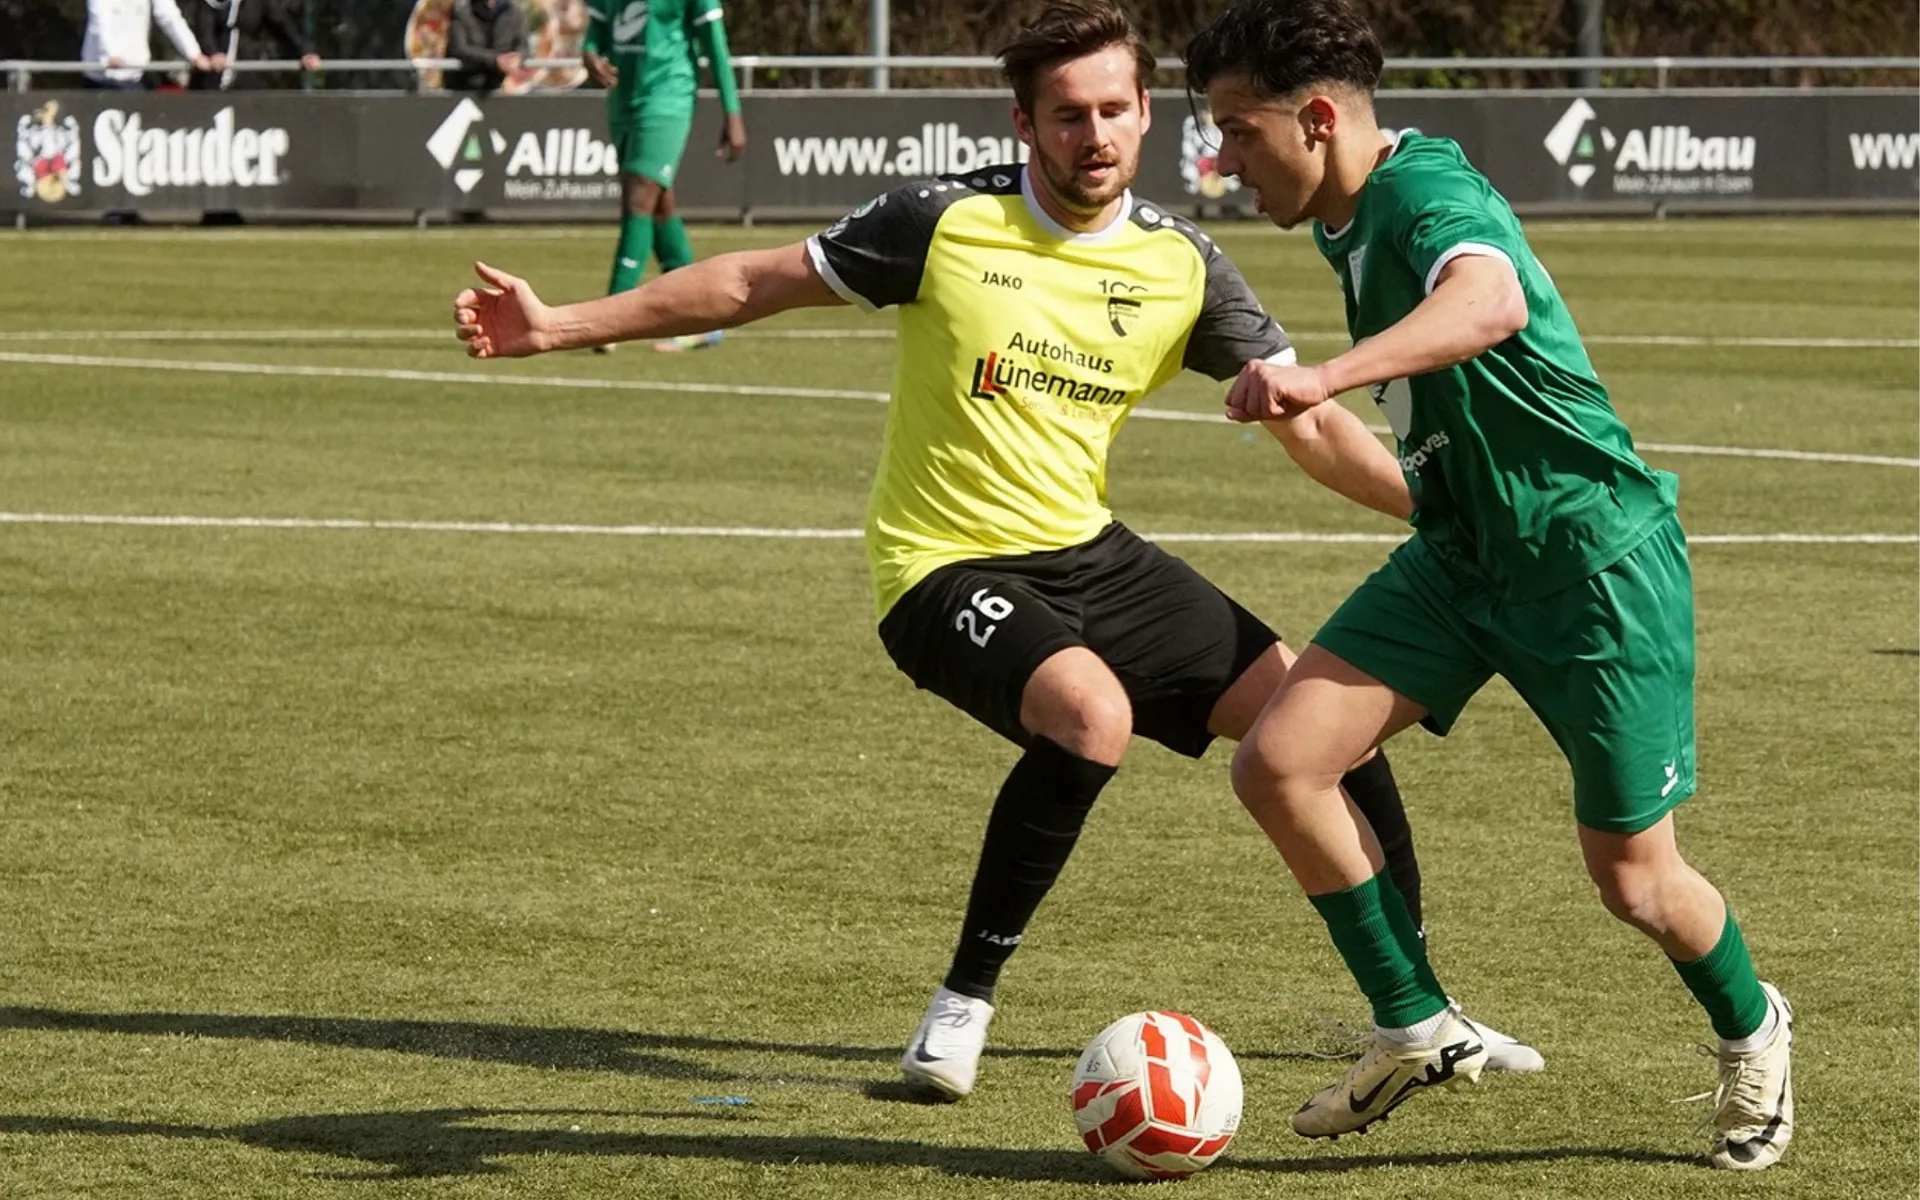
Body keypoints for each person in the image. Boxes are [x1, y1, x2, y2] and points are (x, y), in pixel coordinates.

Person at [454, 0, 1539, 1101]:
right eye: (1068, 115)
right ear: (1024, 123)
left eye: (1116, 109)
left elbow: (1310, 424)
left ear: (1150, 113)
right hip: (940, 566)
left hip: (1091, 553)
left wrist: (1438, 511)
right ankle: (960, 1007)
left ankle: (1422, 1011)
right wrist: (556, 325)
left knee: (1322, 719)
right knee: (1091, 716)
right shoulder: (942, 221)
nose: (1096, 135)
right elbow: (751, 283)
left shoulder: (1181, 265)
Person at [1184, 0, 1792, 1169]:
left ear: (1317, 119)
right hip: (1463, 561)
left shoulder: (1421, 196)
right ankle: (1413, 1024)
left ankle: (1754, 1027)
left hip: (1592, 563)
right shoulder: (1345, 218)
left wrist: (1326, 375)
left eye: (1238, 131)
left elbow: (1490, 300)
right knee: (1279, 761)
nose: (1224, 159)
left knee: (1635, 881)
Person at [580, 0, 746, 353]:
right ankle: (704, 320)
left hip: (668, 96)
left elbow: (714, 42)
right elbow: (597, 32)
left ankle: (609, 320)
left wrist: (732, 112)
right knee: (658, 207)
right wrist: (590, 54)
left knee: (639, 196)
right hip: (622, 99)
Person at [186, 0, 321, 91]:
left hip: (247, 71)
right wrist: (212, 52)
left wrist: (304, 52)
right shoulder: (209, 3)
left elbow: (282, 25)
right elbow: (204, 28)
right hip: (212, 74)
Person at [83, 0, 211, 90]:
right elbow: (99, 18)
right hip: (99, 73)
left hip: (133, 73)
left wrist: (194, 53)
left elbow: (169, 16)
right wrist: (111, 53)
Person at [444, 0, 530, 93]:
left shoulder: (514, 11)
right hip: (466, 85)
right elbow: (458, 48)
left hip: (501, 85)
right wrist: (495, 59)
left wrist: (517, 58)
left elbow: (523, 45)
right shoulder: (462, 10)